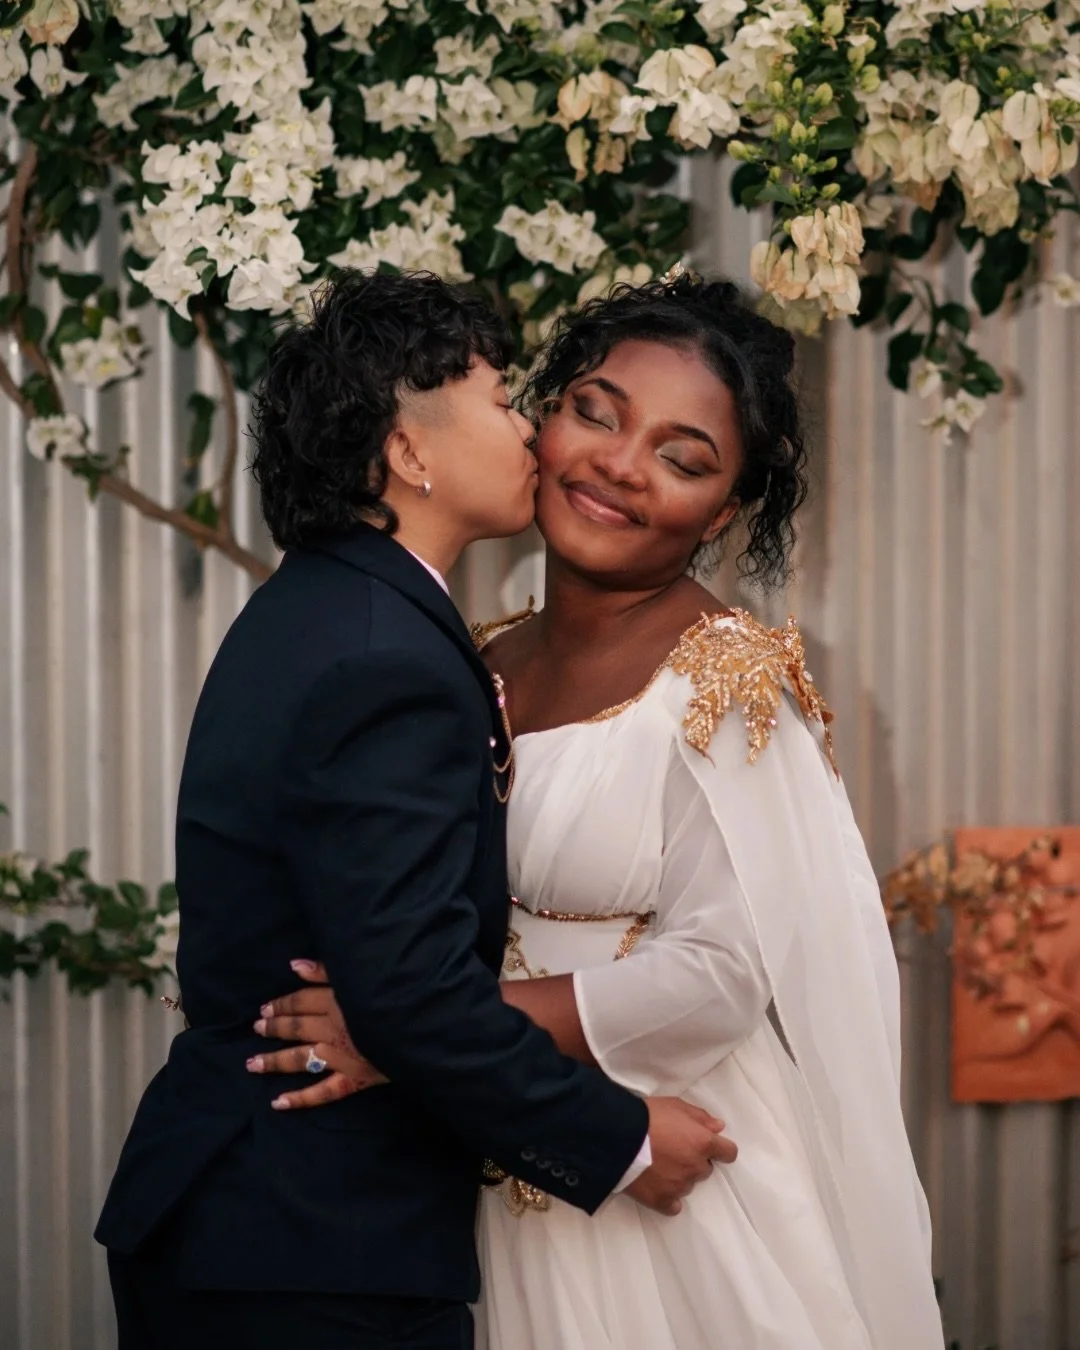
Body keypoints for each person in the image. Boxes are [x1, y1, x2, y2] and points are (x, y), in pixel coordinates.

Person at [253, 271, 945, 1348]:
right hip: (489, 1153)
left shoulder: (728, 684)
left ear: (724, 510)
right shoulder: (473, 655)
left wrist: (411, 1037)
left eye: (682, 458)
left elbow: (722, 972)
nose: (621, 467)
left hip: (663, 1172)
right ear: (542, 417)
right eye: (596, 413)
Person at [94, 270, 736, 1350]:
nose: (531, 428)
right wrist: (624, 1141)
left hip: (260, 1223)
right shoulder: (384, 656)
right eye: (499, 400)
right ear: (409, 451)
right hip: (310, 1242)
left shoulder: (330, 609)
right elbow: (410, 998)